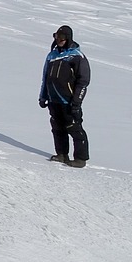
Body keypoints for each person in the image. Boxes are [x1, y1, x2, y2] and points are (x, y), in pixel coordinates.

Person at [38, 24, 90, 167]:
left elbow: (83, 80)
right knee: (57, 127)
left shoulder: (76, 56)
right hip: (53, 99)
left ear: (68, 38)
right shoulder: (52, 55)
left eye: (62, 37)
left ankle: (80, 158)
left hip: (69, 100)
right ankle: (62, 154)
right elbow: (46, 78)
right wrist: (43, 96)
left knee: (74, 127)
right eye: (56, 36)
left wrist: (77, 101)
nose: (59, 40)